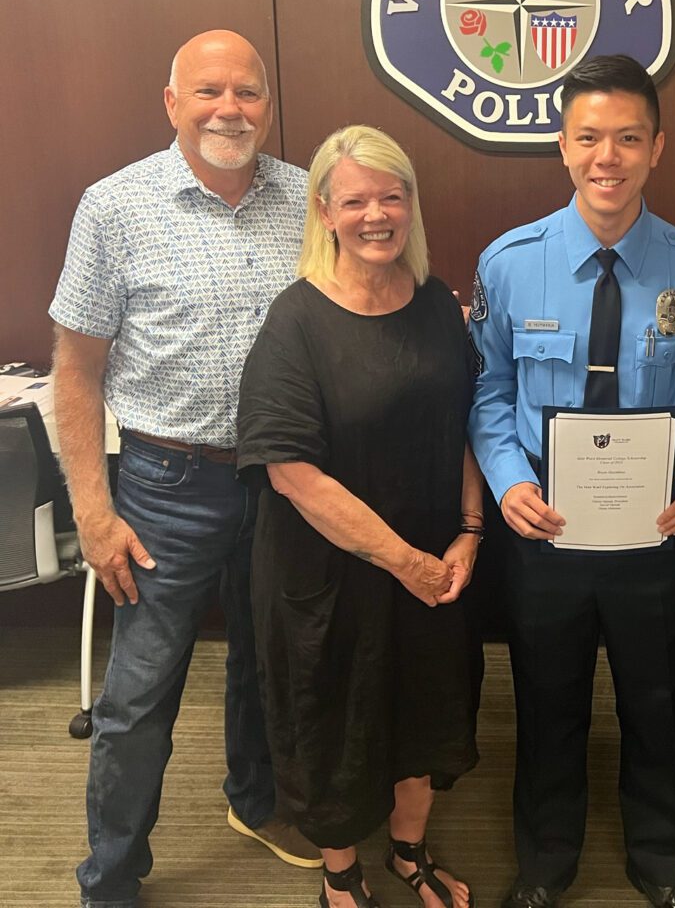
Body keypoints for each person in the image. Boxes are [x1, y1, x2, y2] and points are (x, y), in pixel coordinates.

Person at [50, 30, 319, 908]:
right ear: (172, 103)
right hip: (167, 488)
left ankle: (255, 802)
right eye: (208, 92)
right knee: (137, 698)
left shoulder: (307, 197)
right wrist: (94, 511)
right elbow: (77, 374)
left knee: (268, 665)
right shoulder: (116, 206)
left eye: (246, 92)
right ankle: (112, 877)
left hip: (281, 481)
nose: (229, 110)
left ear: (268, 104)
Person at [469, 55, 675, 908]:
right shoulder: (511, 264)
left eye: (627, 138)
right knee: (548, 703)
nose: (606, 157)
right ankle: (546, 864)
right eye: (588, 138)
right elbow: (490, 392)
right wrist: (507, 483)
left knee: (658, 702)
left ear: (657, 148)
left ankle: (659, 861)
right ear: (563, 146)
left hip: (657, 531)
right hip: (548, 529)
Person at [236, 125, 480, 908]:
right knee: (333, 717)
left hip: (436, 561)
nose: (377, 214)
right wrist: (404, 560)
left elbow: (470, 421)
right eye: (356, 200)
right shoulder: (296, 321)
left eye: (391, 195)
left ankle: (410, 852)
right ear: (324, 211)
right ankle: (342, 874)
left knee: (425, 704)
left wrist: (470, 531)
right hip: (332, 569)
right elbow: (294, 475)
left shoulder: (440, 304)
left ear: (410, 202)